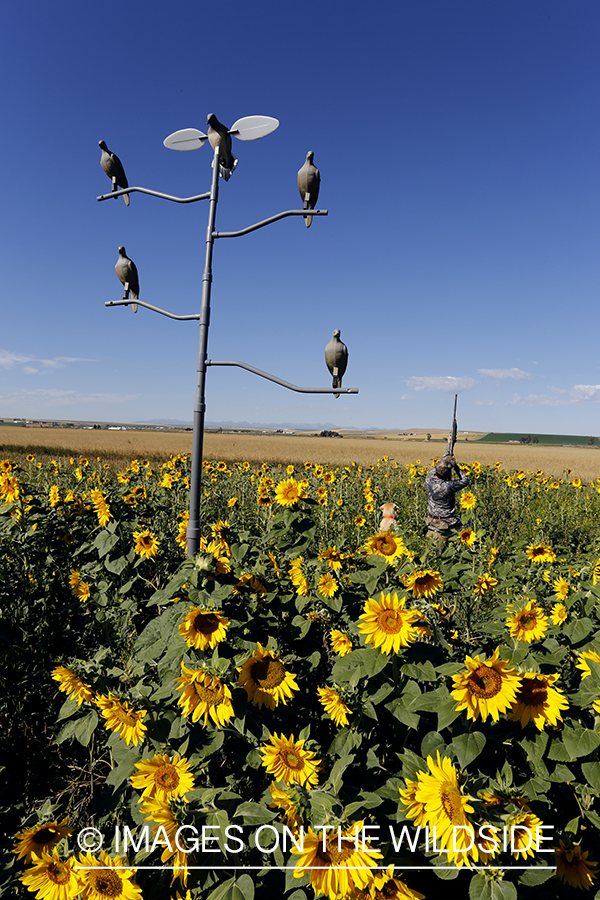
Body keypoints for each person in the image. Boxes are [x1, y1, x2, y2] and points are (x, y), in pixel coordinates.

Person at [425, 437, 469, 538]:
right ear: (447, 475)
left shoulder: (429, 478)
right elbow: (465, 481)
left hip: (431, 520)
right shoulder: (447, 486)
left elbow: (442, 462)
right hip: (445, 523)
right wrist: (456, 467)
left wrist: (449, 445)